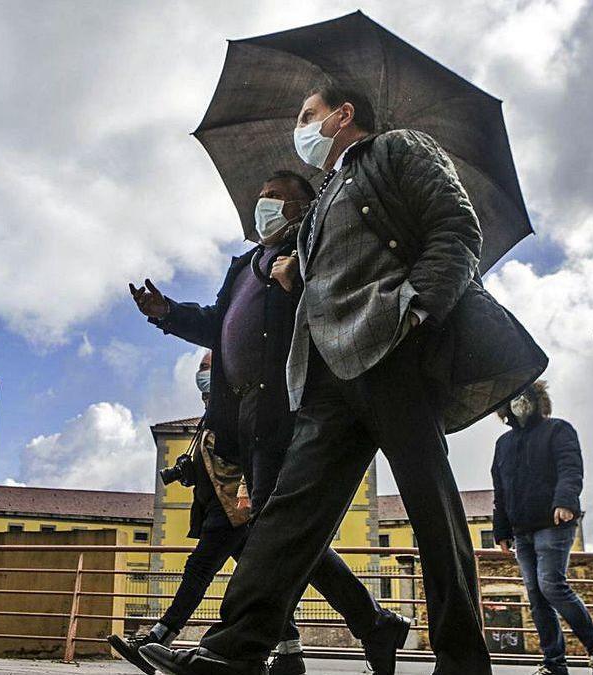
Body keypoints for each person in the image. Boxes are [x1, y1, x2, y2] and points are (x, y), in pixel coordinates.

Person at [141, 83, 546, 675]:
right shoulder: (324, 198)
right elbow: (327, 281)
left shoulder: (398, 150)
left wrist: (419, 311)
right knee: (289, 511)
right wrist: (293, 272)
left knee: (430, 508)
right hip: (328, 376)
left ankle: (462, 660)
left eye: (308, 115)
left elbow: (457, 230)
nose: (299, 127)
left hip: (394, 353)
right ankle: (234, 652)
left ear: (342, 116)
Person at [126, 170, 409, 675]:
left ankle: (241, 649)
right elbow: (217, 322)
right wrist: (166, 312)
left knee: (276, 531)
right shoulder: (243, 265)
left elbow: (336, 311)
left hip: (287, 411)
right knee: (279, 533)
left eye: (278, 197)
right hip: (241, 418)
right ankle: (368, 624)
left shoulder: (312, 250)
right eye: (261, 197)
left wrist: (297, 280)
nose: (266, 205)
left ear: (303, 207)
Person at [108, 352, 253, 674]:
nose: (201, 373)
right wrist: (191, 471)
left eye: (206, 368)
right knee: (261, 580)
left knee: (198, 569)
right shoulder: (212, 411)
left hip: (231, 507)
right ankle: (290, 649)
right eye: (200, 368)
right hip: (221, 506)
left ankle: (158, 637)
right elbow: (219, 458)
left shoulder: (233, 405)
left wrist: (243, 491)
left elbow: (248, 451)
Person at [491, 382, 593, 675]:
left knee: (551, 585)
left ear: (539, 400)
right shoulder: (503, 444)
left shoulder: (558, 430)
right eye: (512, 396)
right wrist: (501, 530)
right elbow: (501, 490)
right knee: (536, 597)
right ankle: (554, 665)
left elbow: (570, 468)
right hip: (522, 530)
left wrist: (565, 501)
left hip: (554, 522)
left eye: (525, 395)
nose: (519, 401)